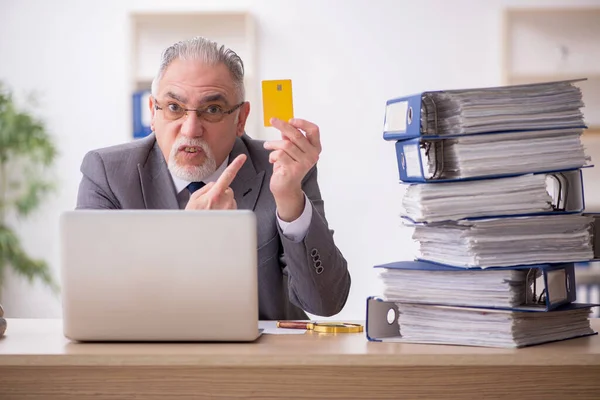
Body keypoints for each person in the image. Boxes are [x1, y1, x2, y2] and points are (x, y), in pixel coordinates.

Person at [76, 36, 351, 320]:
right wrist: (187, 238)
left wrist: (290, 201)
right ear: (152, 113)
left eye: (213, 110)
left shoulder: (282, 171)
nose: (191, 130)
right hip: (150, 360)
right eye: (174, 107)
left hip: (260, 361)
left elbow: (326, 303)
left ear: (241, 119)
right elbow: (89, 300)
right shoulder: (107, 173)